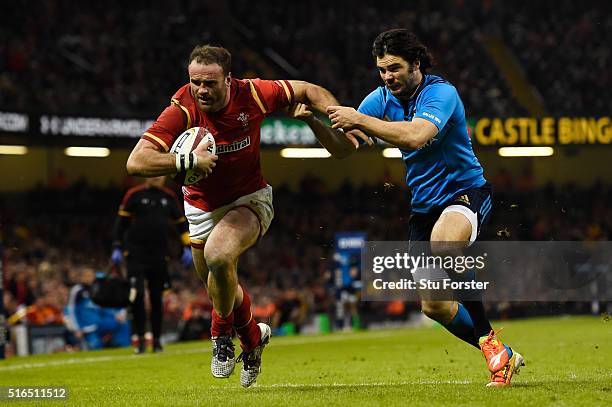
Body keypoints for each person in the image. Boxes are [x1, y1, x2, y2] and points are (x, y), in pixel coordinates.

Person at [125, 44, 360, 387]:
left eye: (210, 83)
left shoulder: (253, 93)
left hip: (249, 199)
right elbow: (136, 161)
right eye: (195, 82)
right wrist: (186, 161)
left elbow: (308, 89)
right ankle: (252, 341)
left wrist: (335, 113)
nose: (202, 90)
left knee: (218, 256)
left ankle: (219, 336)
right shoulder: (182, 109)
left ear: (228, 80)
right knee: (221, 284)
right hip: (201, 209)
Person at [327, 29, 524, 387]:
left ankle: (489, 340)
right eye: (382, 70)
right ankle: (500, 353)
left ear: (415, 63)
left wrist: (359, 119)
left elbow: (417, 135)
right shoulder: (381, 98)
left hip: (466, 193)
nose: (388, 77)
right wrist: (314, 119)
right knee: (434, 306)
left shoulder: (441, 93)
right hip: (423, 208)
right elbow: (343, 147)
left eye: (395, 68)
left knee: (446, 242)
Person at [111, 176, 193, 354]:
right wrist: (117, 247)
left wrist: (187, 247)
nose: (156, 177)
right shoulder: (134, 195)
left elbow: (181, 225)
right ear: (146, 175)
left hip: (159, 257)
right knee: (137, 297)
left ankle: (156, 341)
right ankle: (140, 340)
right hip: (135, 256)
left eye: (160, 173)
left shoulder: (169, 197)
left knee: (157, 299)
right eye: (153, 173)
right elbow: (121, 223)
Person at [64, 268, 131, 350]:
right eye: (86, 276)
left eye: (90, 276)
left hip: (99, 323)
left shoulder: (97, 288)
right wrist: (77, 329)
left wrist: (117, 315)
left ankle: (123, 345)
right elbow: (71, 309)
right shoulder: (78, 290)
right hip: (87, 328)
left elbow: (104, 307)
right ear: (82, 277)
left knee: (122, 323)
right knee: (96, 346)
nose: (89, 278)